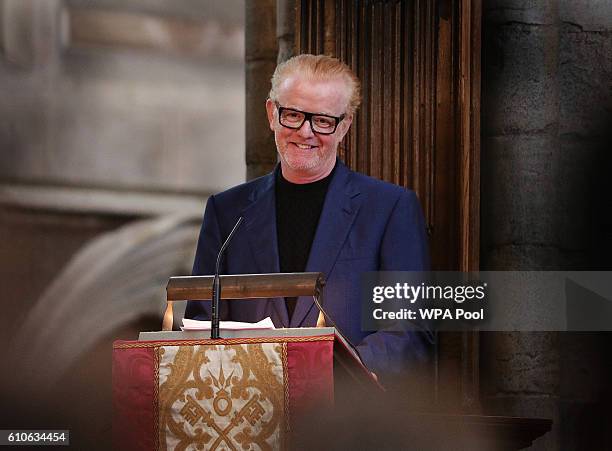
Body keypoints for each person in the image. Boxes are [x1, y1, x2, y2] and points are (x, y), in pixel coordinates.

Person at [185, 54, 432, 380]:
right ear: (272, 114)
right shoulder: (226, 212)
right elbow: (200, 325)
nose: (305, 131)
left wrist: (336, 371)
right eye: (293, 115)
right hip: (246, 414)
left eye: (323, 121)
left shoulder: (390, 208)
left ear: (344, 126)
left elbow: (411, 333)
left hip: (345, 418)